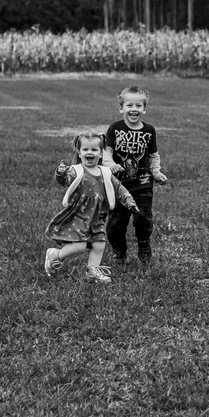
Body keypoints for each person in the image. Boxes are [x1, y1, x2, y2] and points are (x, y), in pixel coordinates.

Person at [44, 131, 140, 282]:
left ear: (101, 153)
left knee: (99, 245)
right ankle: (55, 255)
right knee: (80, 246)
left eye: (94, 150)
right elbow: (64, 180)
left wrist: (129, 200)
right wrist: (61, 173)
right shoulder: (76, 170)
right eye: (86, 149)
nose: (90, 152)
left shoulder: (106, 172)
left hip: (97, 216)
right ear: (79, 152)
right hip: (79, 214)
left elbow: (119, 188)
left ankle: (92, 270)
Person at [105, 85, 168, 264]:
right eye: (129, 105)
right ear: (121, 108)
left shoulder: (149, 130)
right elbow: (106, 152)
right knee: (115, 225)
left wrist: (156, 172)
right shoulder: (114, 128)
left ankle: (143, 244)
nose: (134, 109)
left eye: (138, 106)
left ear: (144, 109)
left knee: (143, 219)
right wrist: (110, 165)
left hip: (143, 183)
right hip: (118, 185)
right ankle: (120, 253)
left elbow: (153, 155)